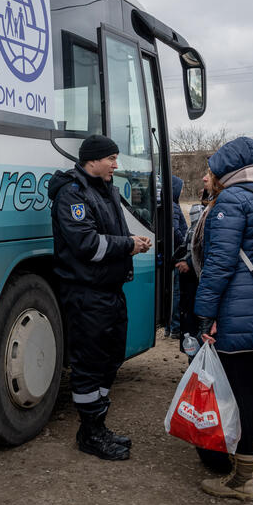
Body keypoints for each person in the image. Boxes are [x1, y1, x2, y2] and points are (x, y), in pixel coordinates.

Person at [194, 137, 253, 500]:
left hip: (238, 312)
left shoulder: (232, 200)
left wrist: (205, 313)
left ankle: (244, 479)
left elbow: (219, 265)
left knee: (241, 393)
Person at [49, 134, 152, 461]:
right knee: (89, 365)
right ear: (93, 159)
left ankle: (97, 425)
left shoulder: (105, 191)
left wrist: (130, 240)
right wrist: (129, 245)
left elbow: (111, 238)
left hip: (110, 293)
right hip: (86, 295)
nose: (116, 165)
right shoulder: (72, 195)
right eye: (112, 158)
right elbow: (88, 246)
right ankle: (90, 431)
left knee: (111, 358)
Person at [165, 175, 188, 340]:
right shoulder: (173, 206)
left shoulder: (170, 205)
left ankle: (169, 326)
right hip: (178, 254)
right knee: (177, 292)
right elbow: (174, 230)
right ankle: (175, 327)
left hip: (173, 253)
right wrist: (184, 242)